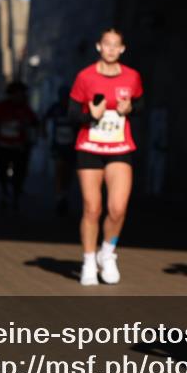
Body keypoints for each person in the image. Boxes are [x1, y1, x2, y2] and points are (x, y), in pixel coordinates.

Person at [67, 28, 144, 286]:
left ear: (122, 49)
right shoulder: (85, 77)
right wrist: (91, 115)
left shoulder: (132, 76)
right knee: (92, 207)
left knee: (118, 208)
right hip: (90, 147)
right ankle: (89, 260)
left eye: (116, 45)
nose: (111, 49)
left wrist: (130, 108)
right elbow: (71, 113)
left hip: (120, 148)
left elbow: (141, 105)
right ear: (99, 47)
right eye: (106, 44)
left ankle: (107, 252)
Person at [0, 81, 39, 209]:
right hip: (3, 145)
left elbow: (34, 121)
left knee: (20, 171)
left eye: (21, 94)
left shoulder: (25, 108)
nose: (19, 96)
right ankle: (4, 192)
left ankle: (16, 194)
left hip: (19, 146)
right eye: (17, 93)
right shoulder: (2, 107)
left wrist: (26, 125)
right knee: (2, 170)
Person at [43, 87, 77, 215]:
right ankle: (59, 197)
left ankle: (64, 193)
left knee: (68, 172)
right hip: (58, 145)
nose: (64, 100)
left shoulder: (75, 109)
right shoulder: (55, 108)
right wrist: (44, 132)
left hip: (72, 146)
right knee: (59, 168)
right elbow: (44, 118)